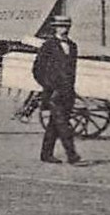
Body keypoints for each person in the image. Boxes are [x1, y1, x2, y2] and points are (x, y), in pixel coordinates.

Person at [34, 16, 82, 165]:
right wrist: (49, 86)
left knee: (54, 124)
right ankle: (72, 154)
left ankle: (46, 154)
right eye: (61, 26)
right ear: (55, 27)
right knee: (63, 124)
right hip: (54, 93)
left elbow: (72, 70)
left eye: (67, 26)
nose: (65, 29)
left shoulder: (73, 46)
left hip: (68, 92)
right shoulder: (48, 45)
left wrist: (72, 89)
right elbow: (37, 69)